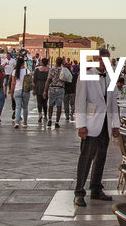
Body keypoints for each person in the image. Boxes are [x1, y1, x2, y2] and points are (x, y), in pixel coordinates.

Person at [73, 47, 119, 208]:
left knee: (101, 158)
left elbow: (113, 102)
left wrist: (116, 124)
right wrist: (81, 125)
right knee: (86, 158)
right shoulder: (86, 75)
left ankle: (96, 188)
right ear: (95, 59)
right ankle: (79, 192)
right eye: (100, 59)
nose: (102, 62)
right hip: (91, 123)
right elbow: (80, 101)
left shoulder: (111, 76)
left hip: (105, 124)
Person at [45, 57, 66, 128]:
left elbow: (48, 80)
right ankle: (57, 122)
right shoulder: (63, 70)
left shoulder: (52, 69)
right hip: (60, 89)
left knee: (50, 105)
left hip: (52, 88)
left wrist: (45, 90)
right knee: (59, 106)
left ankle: (50, 119)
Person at [11, 55, 30, 128]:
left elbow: (13, 83)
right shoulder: (27, 71)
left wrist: (11, 92)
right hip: (25, 90)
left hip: (17, 90)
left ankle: (16, 122)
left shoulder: (14, 71)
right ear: (23, 63)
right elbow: (29, 81)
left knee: (18, 107)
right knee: (25, 107)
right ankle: (25, 122)